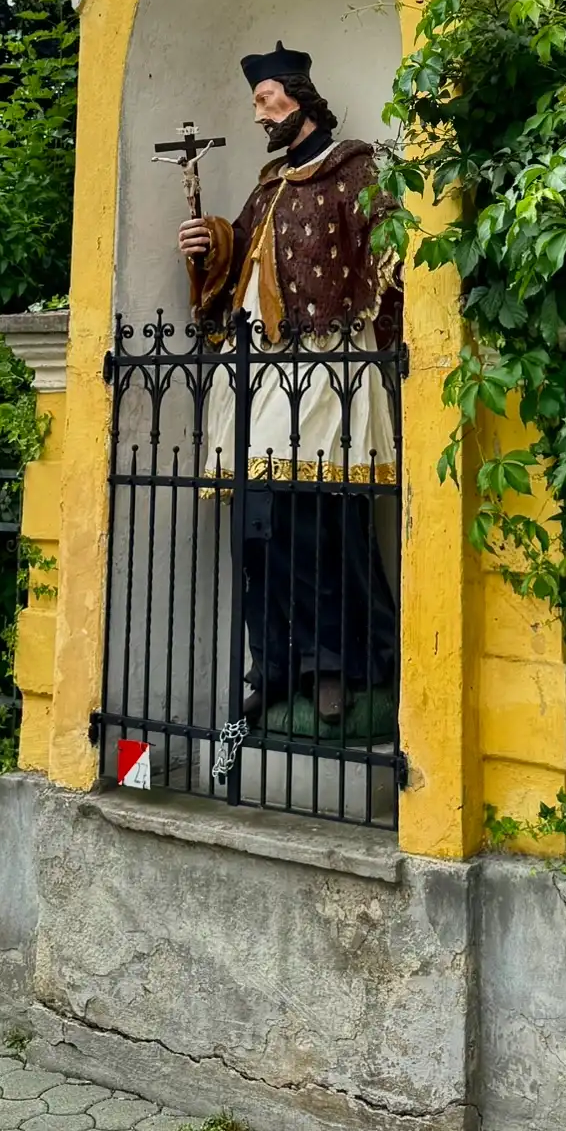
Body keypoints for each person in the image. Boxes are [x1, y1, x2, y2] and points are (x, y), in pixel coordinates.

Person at [178, 44, 399, 730]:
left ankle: (338, 663)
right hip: (259, 373)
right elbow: (238, 256)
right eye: (254, 102)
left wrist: (385, 351)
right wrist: (208, 243)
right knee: (257, 524)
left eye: (264, 98)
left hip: (327, 370)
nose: (256, 114)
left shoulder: (353, 167)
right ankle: (273, 663)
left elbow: (387, 261)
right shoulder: (269, 184)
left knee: (321, 519)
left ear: (299, 95)